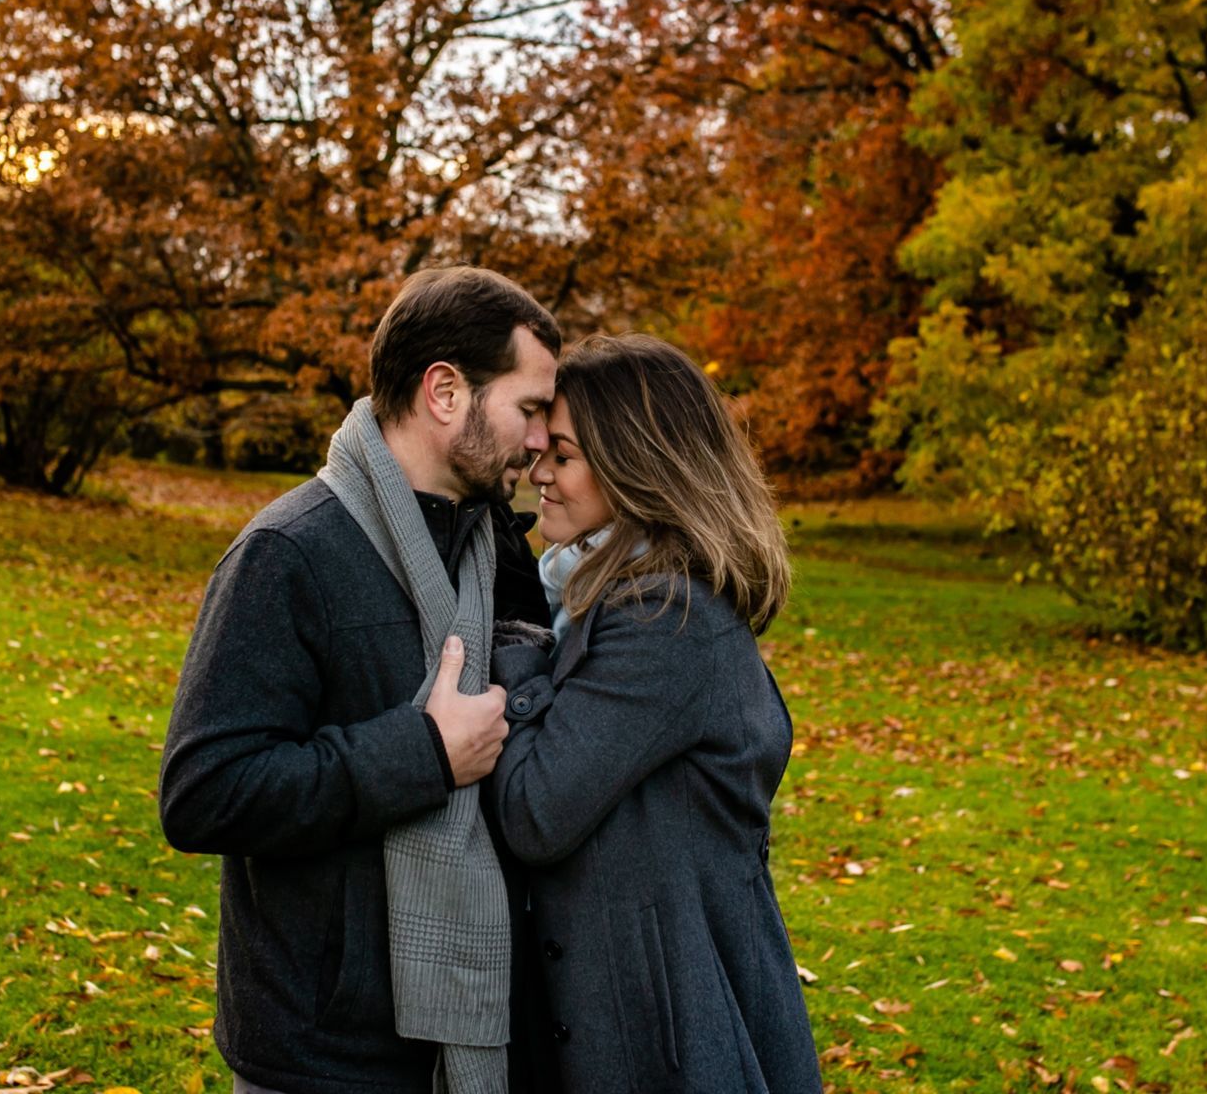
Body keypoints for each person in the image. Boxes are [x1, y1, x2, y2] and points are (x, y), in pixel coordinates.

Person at [158, 266, 560, 1094]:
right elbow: (205, 791)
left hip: (474, 1037)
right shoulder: (290, 553)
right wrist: (425, 753)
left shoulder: (498, 556)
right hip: (323, 1055)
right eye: (528, 409)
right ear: (445, 392)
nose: (539, 441)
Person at [482, 333, 823, 1094]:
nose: (537, 473)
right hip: (632, 1019)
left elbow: (537, 809)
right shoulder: (605, 598)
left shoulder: (664, 621)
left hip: (667, 1045)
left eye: (561, 456)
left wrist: (515, 638)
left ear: (637, 465)